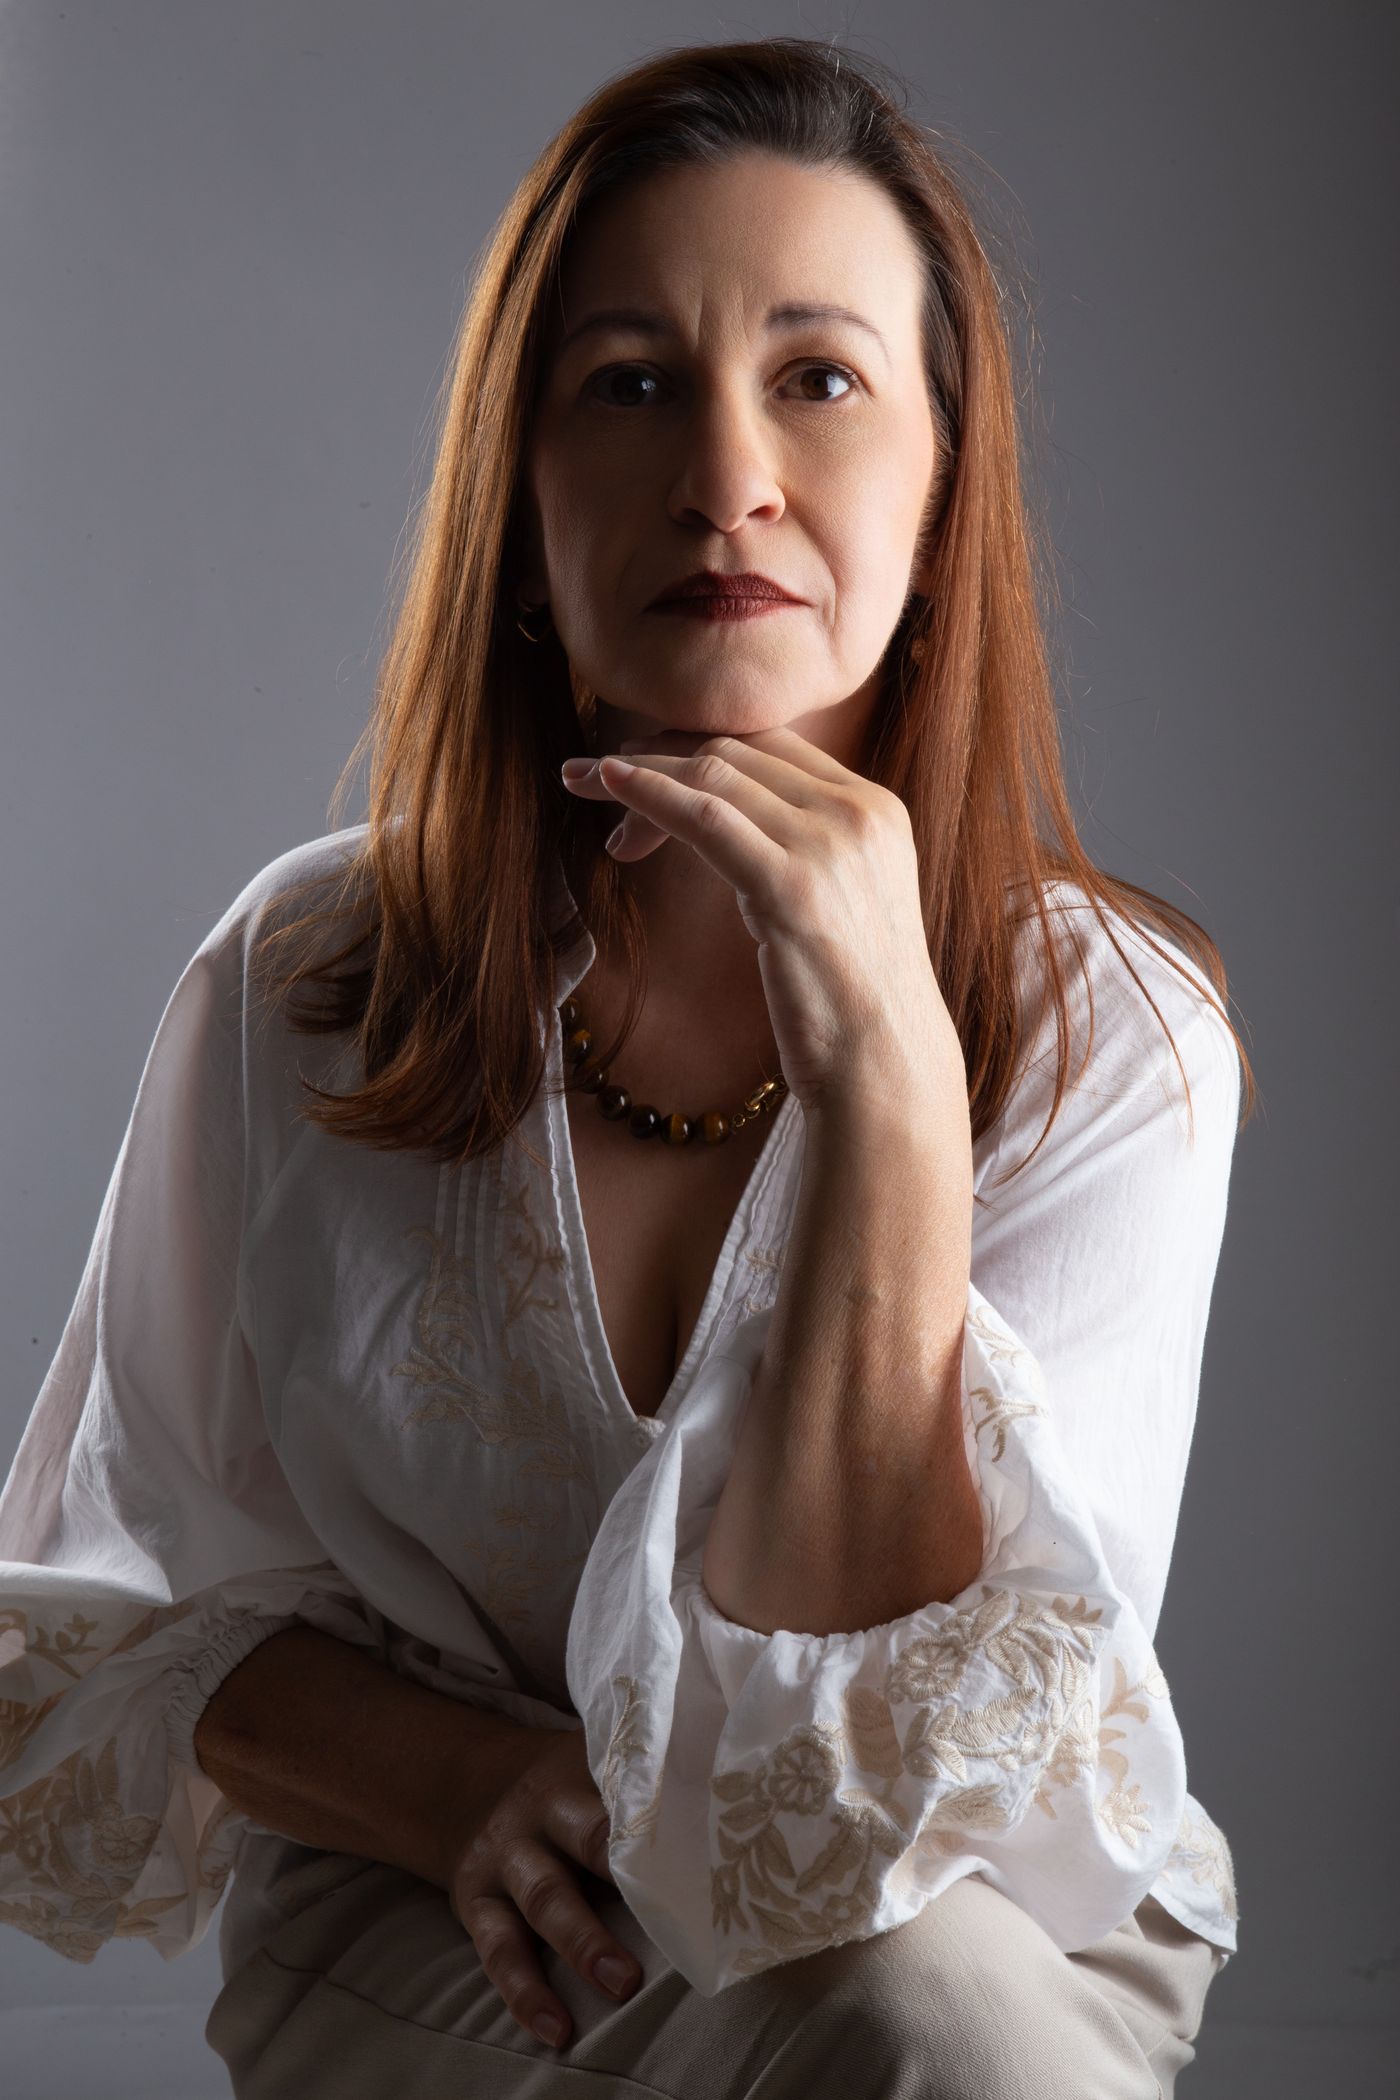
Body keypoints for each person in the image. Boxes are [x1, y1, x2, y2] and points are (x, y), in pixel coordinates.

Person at [0, 36, 1255, 2099]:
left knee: (923, 2013)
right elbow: (128, 1617)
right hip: (451, 1930)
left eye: (819, 379)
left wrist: (887, 1075)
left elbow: (849, 1814)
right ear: (519, 512)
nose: (727, 475)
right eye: (630, 384)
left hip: (961, 1928)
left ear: (942, 500)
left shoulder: (1110, 1033)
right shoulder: (306, 975)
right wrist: (462, 1783)